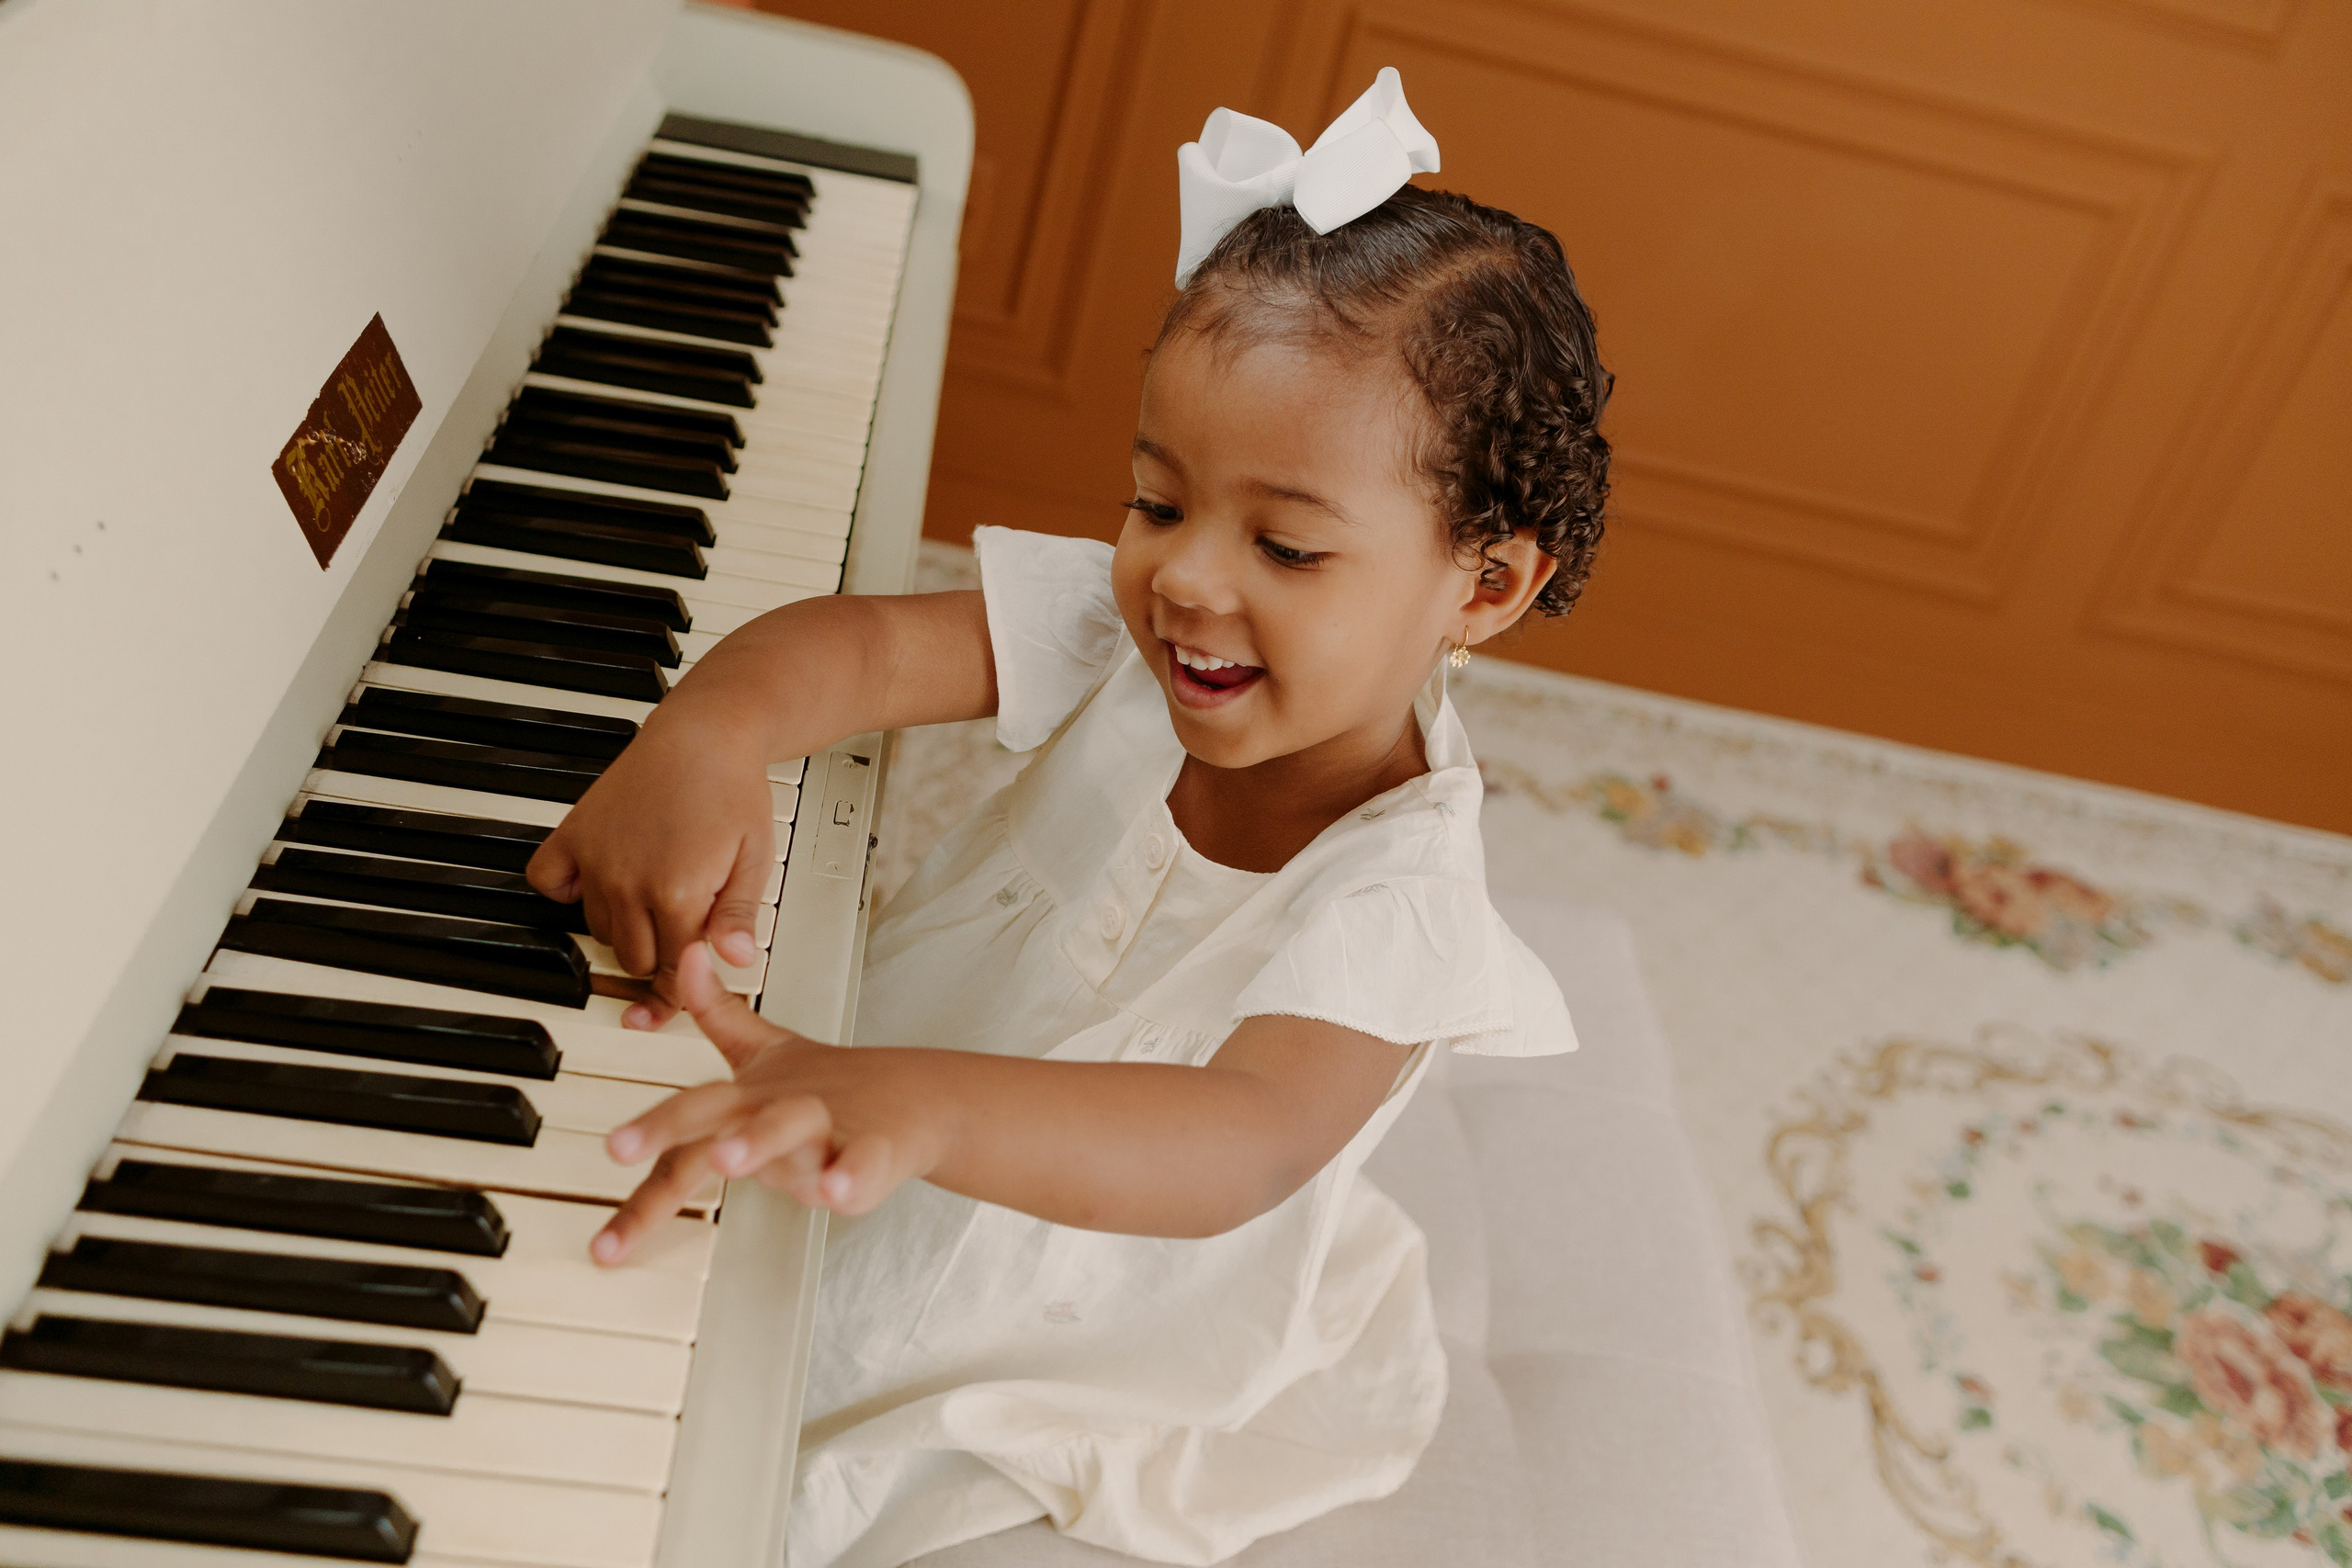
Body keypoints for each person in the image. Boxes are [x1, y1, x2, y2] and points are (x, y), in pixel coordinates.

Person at [527, 67, 1612, 1568]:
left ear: (1484, 584)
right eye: (1156, 502)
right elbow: (857, 649)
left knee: (708, 1492)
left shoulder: (1401, 897)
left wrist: (915, 1100)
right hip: (870, 1080)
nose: (1186, 579)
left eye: (1286, 546)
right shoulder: (1148, 641)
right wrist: (708, 734)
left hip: (1063, 1289)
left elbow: (1234, 1144)